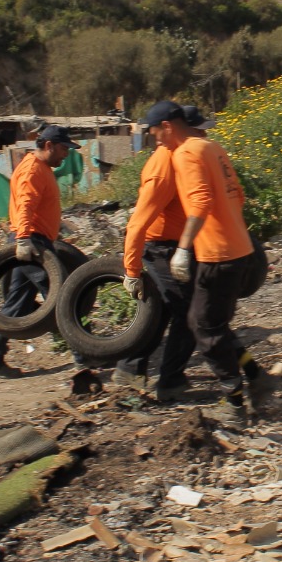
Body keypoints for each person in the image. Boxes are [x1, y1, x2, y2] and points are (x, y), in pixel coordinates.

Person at [157, 100, 263, 429]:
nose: (155, 139)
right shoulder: (213, 148)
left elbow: (201, 199)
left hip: (218, 253)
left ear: (168, 127)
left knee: (205, 328)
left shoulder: (186, 153)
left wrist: (183, 248)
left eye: (154, 132)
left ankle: (233, 403)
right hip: (237, 247)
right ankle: (257, 379)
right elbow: (238, 194)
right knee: (208, 321)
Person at [110, 105, 214, 401]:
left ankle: (130, 369)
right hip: (160, 250)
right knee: (192, 315)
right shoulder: (162, 166)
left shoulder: (184, 157)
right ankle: (170, 381)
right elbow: (137, 224)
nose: (205, 136)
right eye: (200, 131)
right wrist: (131, 271)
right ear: (183, 130)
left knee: (166, 312)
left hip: (174, 246)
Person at [0, 124, 80, 379]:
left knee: (16, 306)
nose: (66, 154)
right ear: (49, 146)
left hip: (37, 240)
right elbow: (25, 206)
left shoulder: (41, 168)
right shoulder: (33, 169)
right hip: (32, 245)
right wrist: (23, 239)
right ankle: (85, 354)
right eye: (63, 148)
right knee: (60, 297)